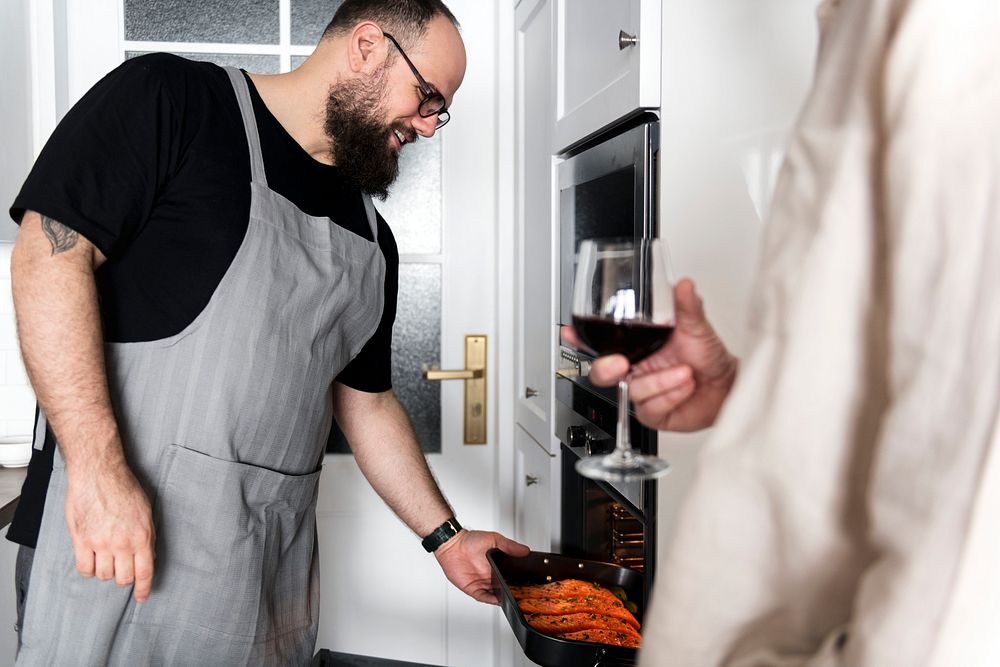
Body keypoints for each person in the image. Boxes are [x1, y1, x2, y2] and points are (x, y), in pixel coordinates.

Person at [7, 1, 527, 664]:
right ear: (368, 45)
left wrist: (447, 538)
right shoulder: (174, 102)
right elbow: (49, 257)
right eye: (427, 97)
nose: (428, 125)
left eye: (440, 110)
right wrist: (98, 470)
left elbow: (365, 401)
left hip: (258, 582)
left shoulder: (373, 243)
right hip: (115, 548)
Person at [567, 0, 1000, 663]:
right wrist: (742, 391)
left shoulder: (946, 22)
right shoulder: (860, 22)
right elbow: (890, 365)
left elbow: (960, 566)